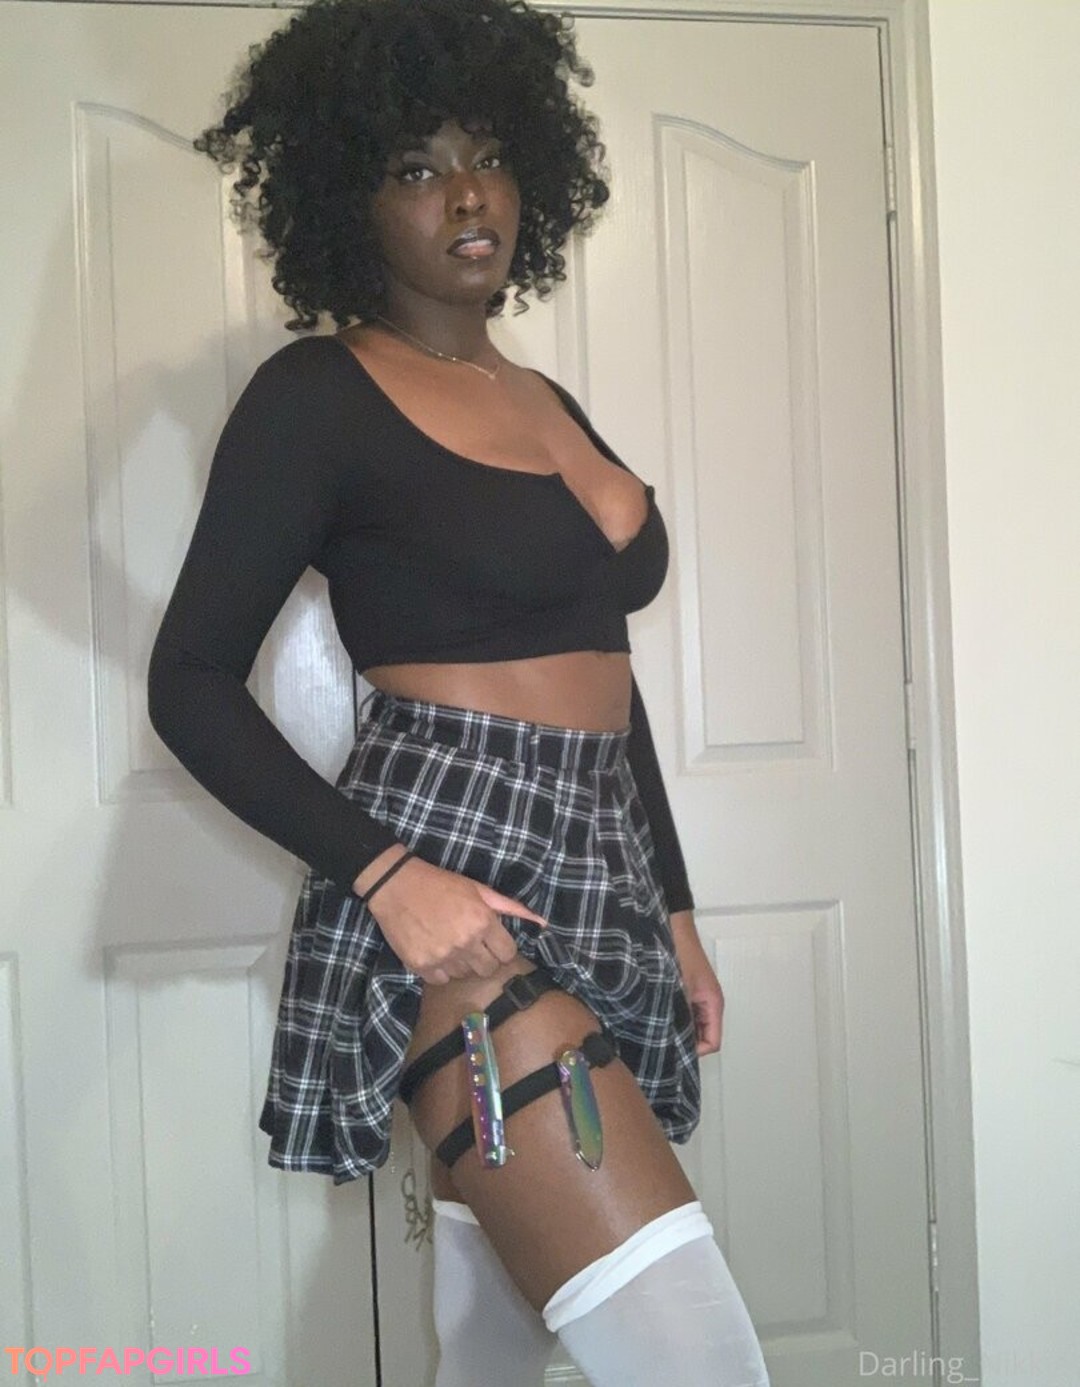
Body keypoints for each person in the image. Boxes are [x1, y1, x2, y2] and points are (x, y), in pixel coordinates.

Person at [148, 1, 770, 1383]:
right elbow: (187, 681)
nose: (469, 193)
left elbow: (606, 684)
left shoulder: (549, 400)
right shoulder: (317, 395)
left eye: (488, 155)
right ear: (347, 198)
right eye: (417, 167)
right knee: (692, 1354)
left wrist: (673, 910)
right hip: (454, 859)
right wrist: (388, 878)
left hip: (601, 857)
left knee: (494, 1336)